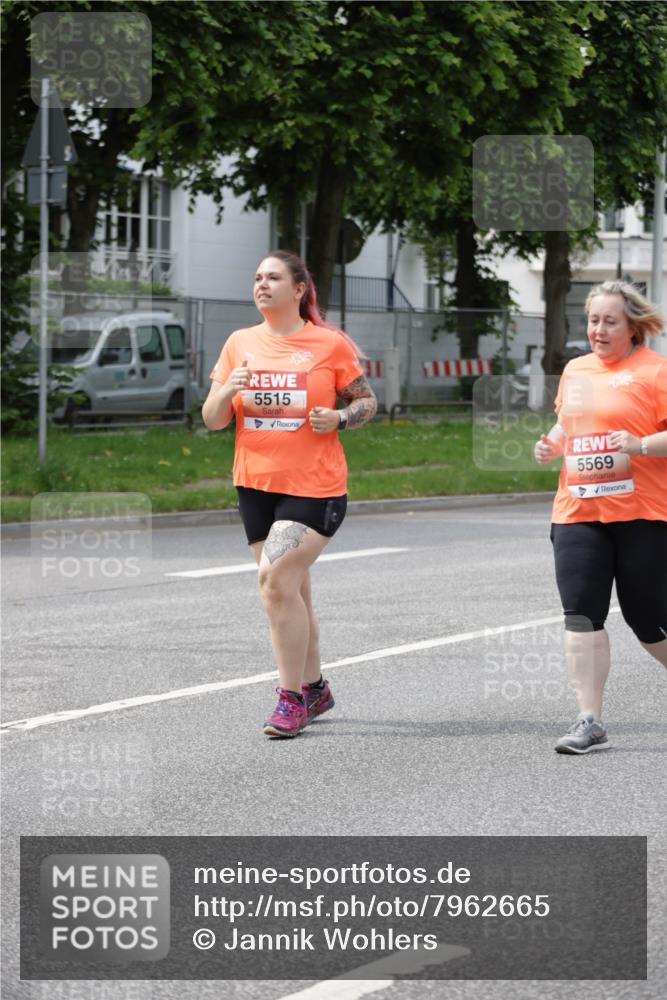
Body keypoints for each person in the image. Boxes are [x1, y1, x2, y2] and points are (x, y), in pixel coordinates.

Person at [202, 250, 377, 738]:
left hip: (314, 487)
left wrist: (340, 418)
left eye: (273, 277)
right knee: (290, 590)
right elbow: (213, 418)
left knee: (276, 582)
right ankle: (316, 686)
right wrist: (225, 390)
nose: (262, 284)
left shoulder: (328, 344)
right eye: (257, 277)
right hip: (255, 485)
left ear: (299, 289)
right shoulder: (240, 343)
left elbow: (366, 400)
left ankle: (291, 699)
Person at [534, 280, 667, 754]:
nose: (599, 329)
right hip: (578, 510)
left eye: (610, 321)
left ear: (633, 326)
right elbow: (567, 423)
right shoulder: (576, 370)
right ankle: (589, 720)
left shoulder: (655, 372)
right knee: (580, 616)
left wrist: (640, 445)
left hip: (643, 514)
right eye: (593, 320)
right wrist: (551, 443)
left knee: (648, 620)